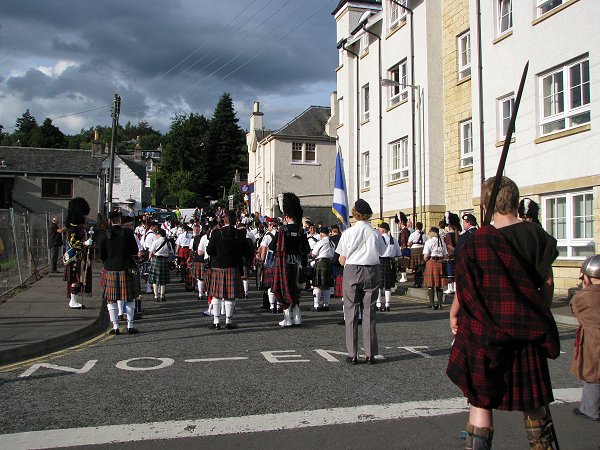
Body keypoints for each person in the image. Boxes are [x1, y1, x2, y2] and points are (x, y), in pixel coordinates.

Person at [447, 176, 560, 449]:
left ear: (485, 206)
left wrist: (454, 313)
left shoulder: (478, 241)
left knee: (480, 402)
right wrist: (536, 310)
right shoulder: (536, 235)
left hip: (484, 330)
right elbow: (547, 286)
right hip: (525, 330)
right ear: (517, 202)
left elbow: (466, 288)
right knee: (534, 405)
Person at [336, 199, 385, 364]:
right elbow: (382, 251)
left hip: (352, 269)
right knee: (369, 312)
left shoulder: (348, 233)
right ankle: (370, 353)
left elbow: (342, 259)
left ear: (355, 213)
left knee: (350, 312)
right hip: (371, 270)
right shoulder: (376, 233)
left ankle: (352, 354)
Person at [270, 193, 311, 327]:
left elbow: (271, 246)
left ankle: (287, 319)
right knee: (296, 291)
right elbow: (306, 249)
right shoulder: (301, 231)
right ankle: (298, 318)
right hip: (298, 264)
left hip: (285, 264)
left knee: (285, 290)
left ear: (286, 216)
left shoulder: (282, 230)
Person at [97, 211, 140, 335]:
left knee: (111, 299)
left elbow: (101, 255)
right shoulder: (128, 233)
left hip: (110, 270)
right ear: (120, 220)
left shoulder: (104, 235)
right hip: (126, 269)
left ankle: (115, 327)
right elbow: (134, 250)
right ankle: (130, 326)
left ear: (110, 220)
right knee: (130, 298)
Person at [206, 209, 249, 329]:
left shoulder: (216, 233)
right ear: (235, 219)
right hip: (233, 267)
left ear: (223, 219)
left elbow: (209, 251)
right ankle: (229, 322)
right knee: (230, 296)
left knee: (216, 295)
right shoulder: (240, 234)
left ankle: (216, 322)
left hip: (218, 266)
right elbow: (246, 251)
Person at [570, 254, 600, 422]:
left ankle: (591, 409)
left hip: (593, 342)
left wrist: (584, 286)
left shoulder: (584, 297)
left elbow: (575, 308)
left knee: (593, 376)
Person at [63, 197, 93, 309]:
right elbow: (73, 243)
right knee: (75, 279)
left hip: (79, 256)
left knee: (78, 279)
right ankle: (73, 300)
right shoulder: (72, 228)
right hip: (73, 257)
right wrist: (85, 243)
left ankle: (74, 299)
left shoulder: (77, 227)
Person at [376, 221, 401, 312]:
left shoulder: (378, 239)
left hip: (380, 261)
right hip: (390, 262)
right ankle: (387, 304)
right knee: (388, 286)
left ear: (383, 230)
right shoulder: (393, 239)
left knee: (378, 285)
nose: (378, 230)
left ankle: (378, 304)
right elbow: (398, 253)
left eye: (379, 229)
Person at [422, 227, 448, 310]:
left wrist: (424, 261)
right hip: (440, 263)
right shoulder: (442, 242)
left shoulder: (429, 242)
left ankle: (432, 304)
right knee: (439, 284)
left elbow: (426, 255)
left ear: (431, 233)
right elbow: (445, 255)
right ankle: (440, 304)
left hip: (431, 262)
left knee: (430, 284)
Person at [310, 226, 335, 311]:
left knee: (317, 285)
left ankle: (316, 305)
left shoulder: (321, 242)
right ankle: (326, 305)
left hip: (320, 263)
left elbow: (313, 254)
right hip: (328, 263)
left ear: (321, 233)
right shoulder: (332, 242)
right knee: (326, 285)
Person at [147, 228, 173, 302]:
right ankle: (162, 295)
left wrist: (149, 259)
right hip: (165, 260)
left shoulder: (155, 241)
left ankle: (155, 296)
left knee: (155, 280)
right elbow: (171, 252)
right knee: (163, 280)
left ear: (159, 235)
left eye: (157, 234)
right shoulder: (168, 242)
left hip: (156, 260)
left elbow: (151, 252)